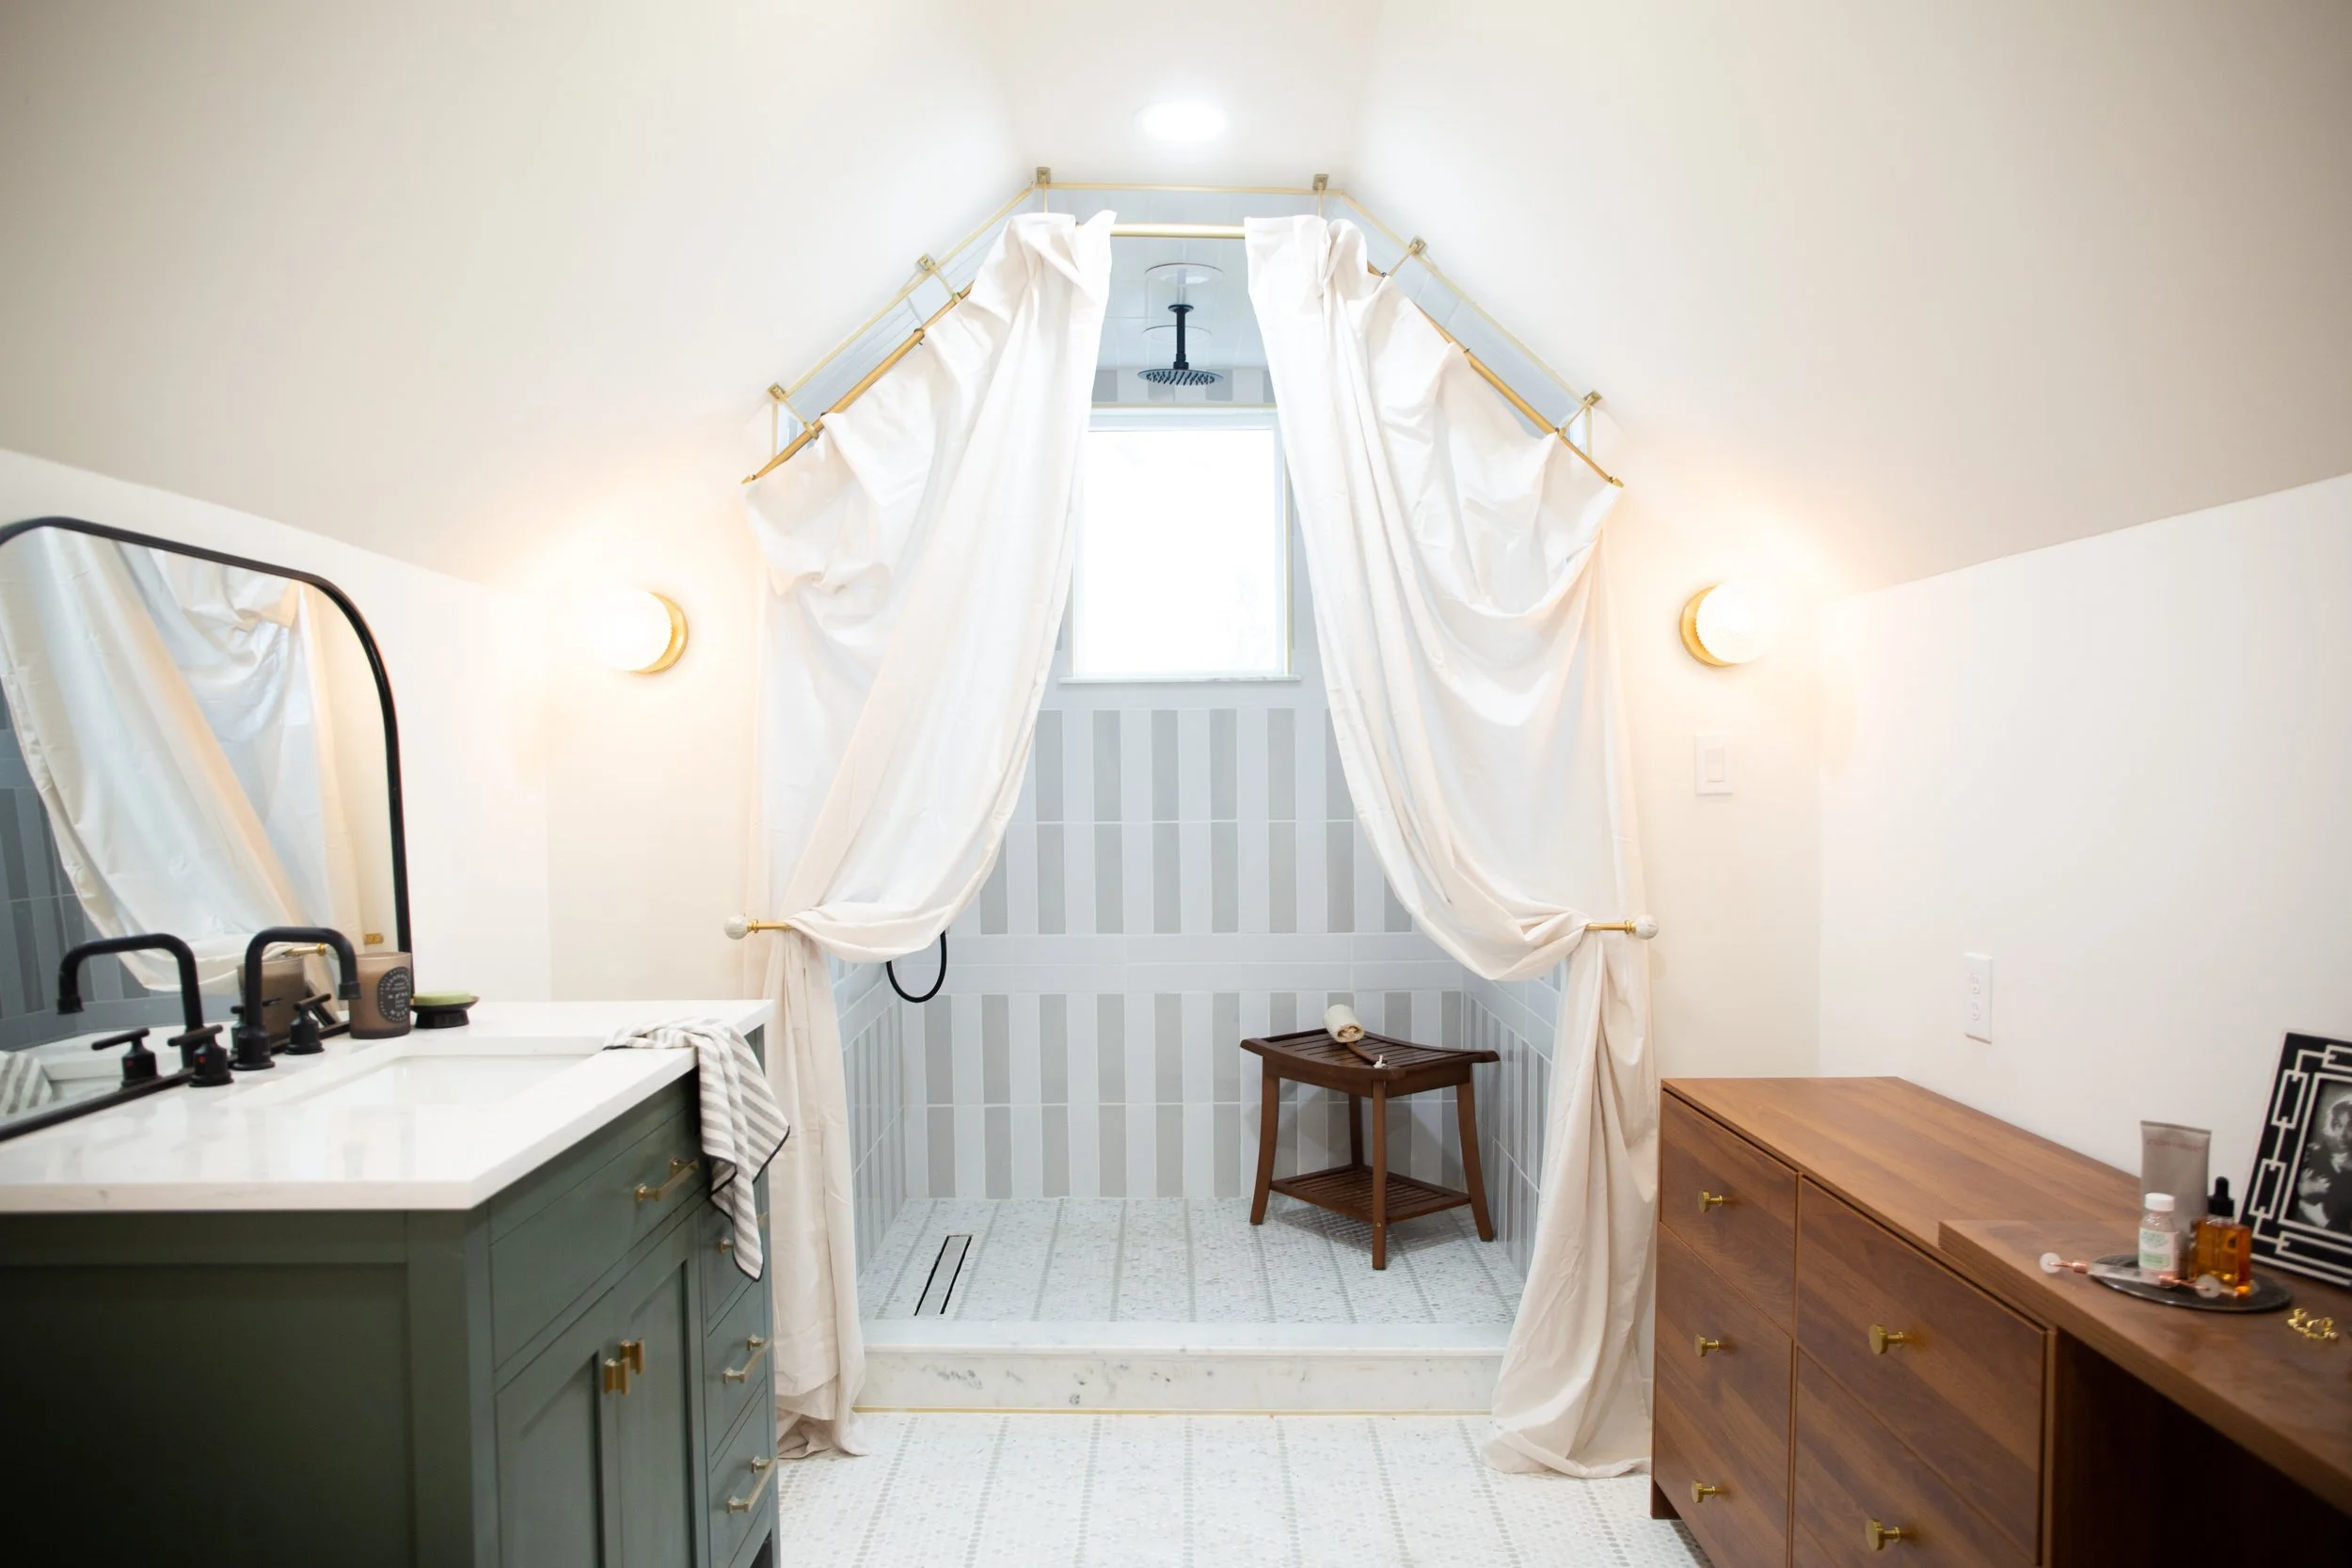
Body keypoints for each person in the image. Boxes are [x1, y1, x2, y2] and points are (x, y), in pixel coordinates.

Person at [2293, 1091, 2352, 1234]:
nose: (2342, 1133)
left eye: (2351, 1126)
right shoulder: (2316, 1155)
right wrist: (2302, 1189)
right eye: (2338, 1125)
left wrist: (2321, 1220)